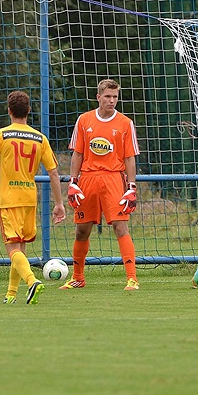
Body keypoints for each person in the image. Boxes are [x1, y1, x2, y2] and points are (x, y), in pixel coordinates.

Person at [0, 91, 66, 304]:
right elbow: (53, 173)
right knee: (21, 248)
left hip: (9, 199)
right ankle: (11, 294)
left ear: (9, 111)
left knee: (12, 249)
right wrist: (59, 204)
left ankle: (32, 281)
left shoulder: (1, 135)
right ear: (28, 111)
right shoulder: (39, 138)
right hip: (29, 199)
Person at [61, 79, 141, 291]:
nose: (112, 101)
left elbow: (130, 158)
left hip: (114, 178)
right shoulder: (84, 120)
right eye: (107, 96)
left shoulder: (125, 123)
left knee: (120, 226)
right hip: (88, 179)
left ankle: (132, 278)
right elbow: (77, 153)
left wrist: (131, 187)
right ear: (98, 97)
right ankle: (78, 278)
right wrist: (73, 182)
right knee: (82, 230)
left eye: (115, 97)